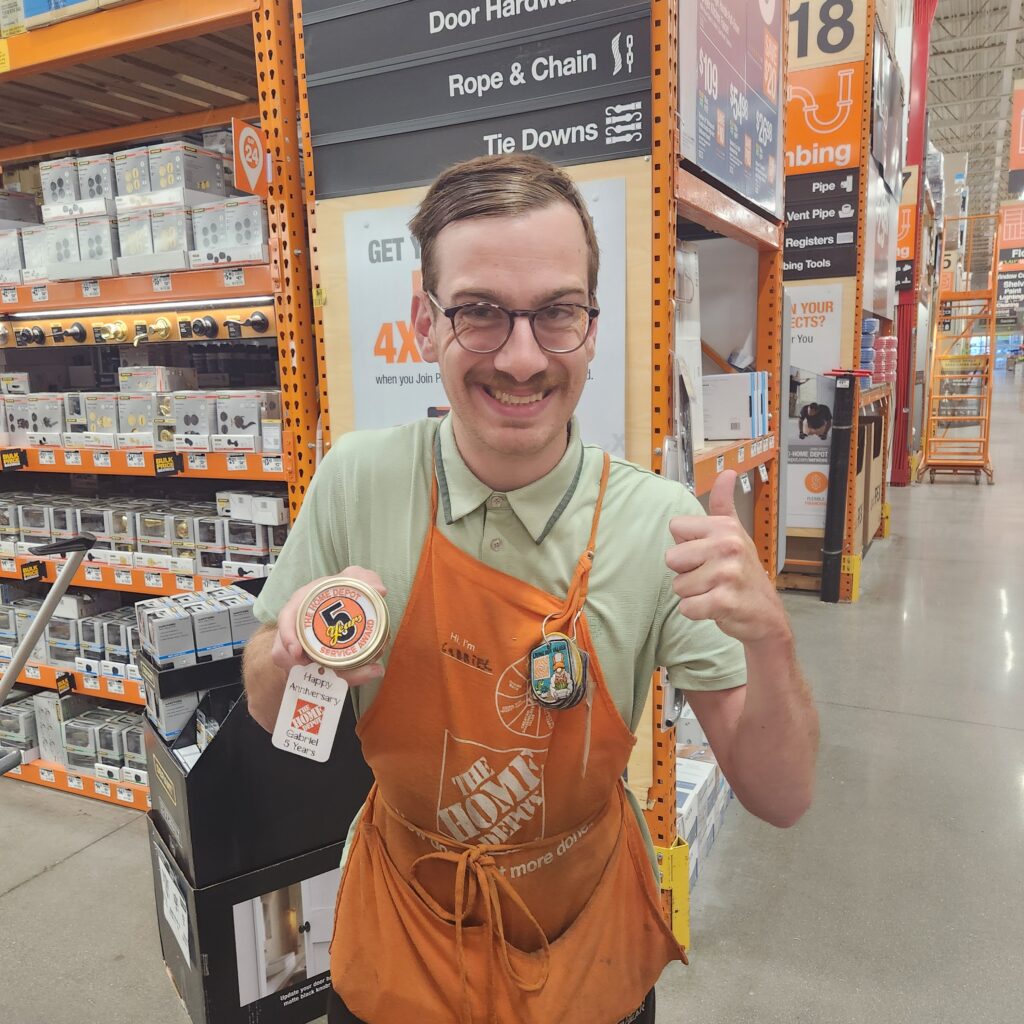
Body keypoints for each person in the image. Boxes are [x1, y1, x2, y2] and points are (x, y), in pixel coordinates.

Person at [243, 154, 819, 1024]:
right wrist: (292, 655)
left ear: (592, 326)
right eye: (478, 312)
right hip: (401, 940)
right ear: (422, 318)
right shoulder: (356, 483)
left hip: (588, 953)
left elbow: (782, 796)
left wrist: (772, 640)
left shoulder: (660, 524)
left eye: (556, 313)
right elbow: (266, 705)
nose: (520, 359)